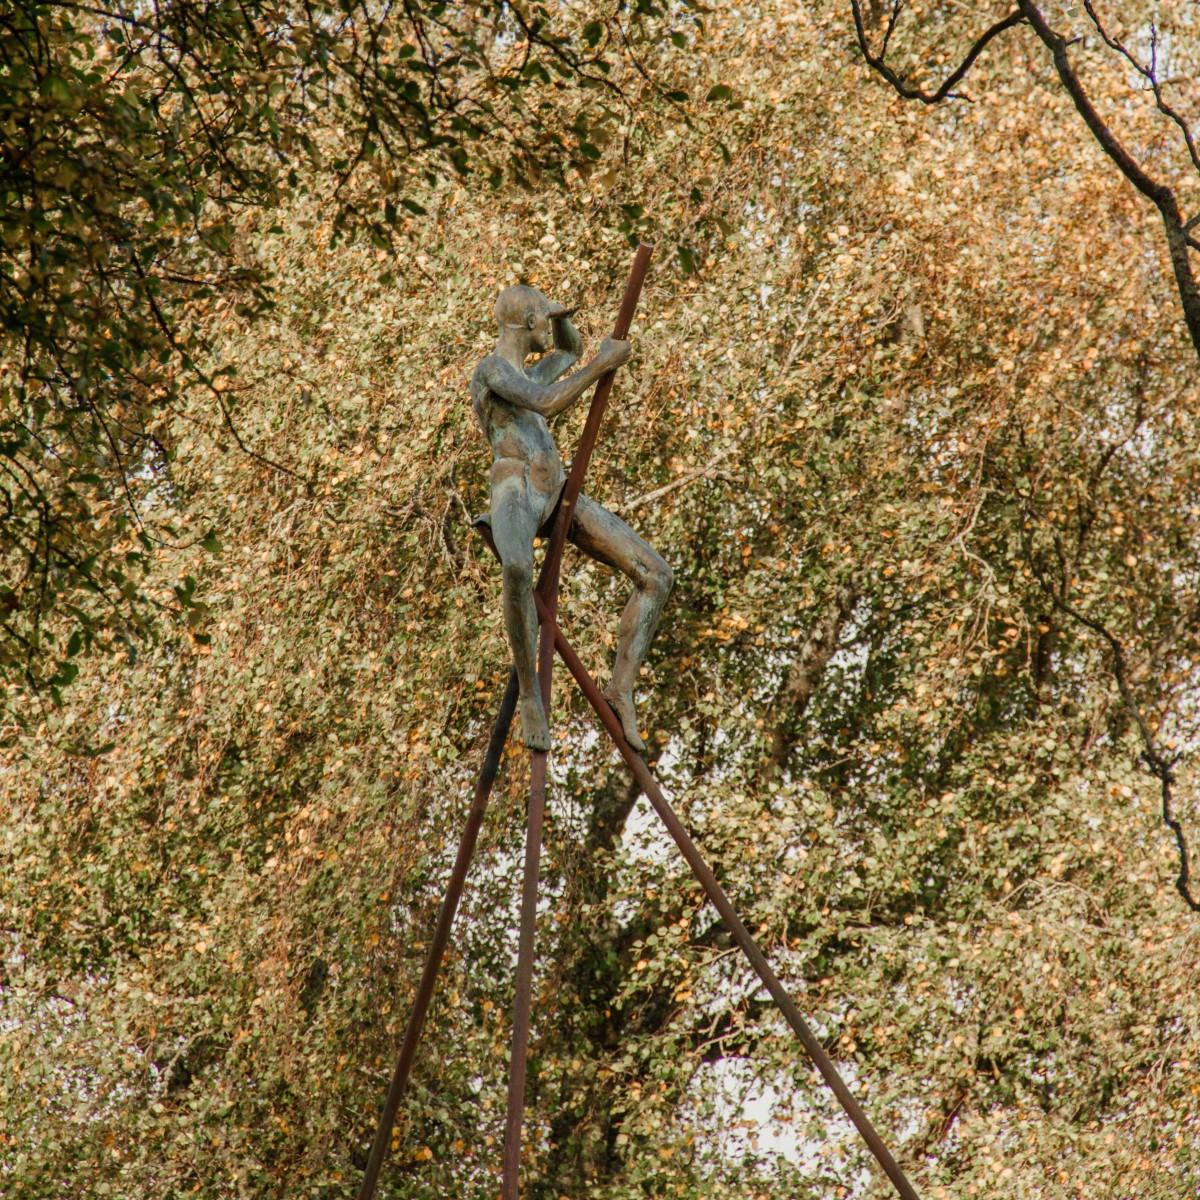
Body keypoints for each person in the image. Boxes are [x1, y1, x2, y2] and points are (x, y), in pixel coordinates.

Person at [469, 284, 672, 752]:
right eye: (544, 318)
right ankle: (529, 694)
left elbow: (570, 348)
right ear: (526, 323)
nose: (550, 326)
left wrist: (560, 313)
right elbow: (545, 403)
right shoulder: (494, 370)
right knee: (517, 568)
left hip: (557, 493)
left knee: (657, 576)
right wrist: (601, 366)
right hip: (515, 489)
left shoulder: (535, 371)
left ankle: (621, 689)